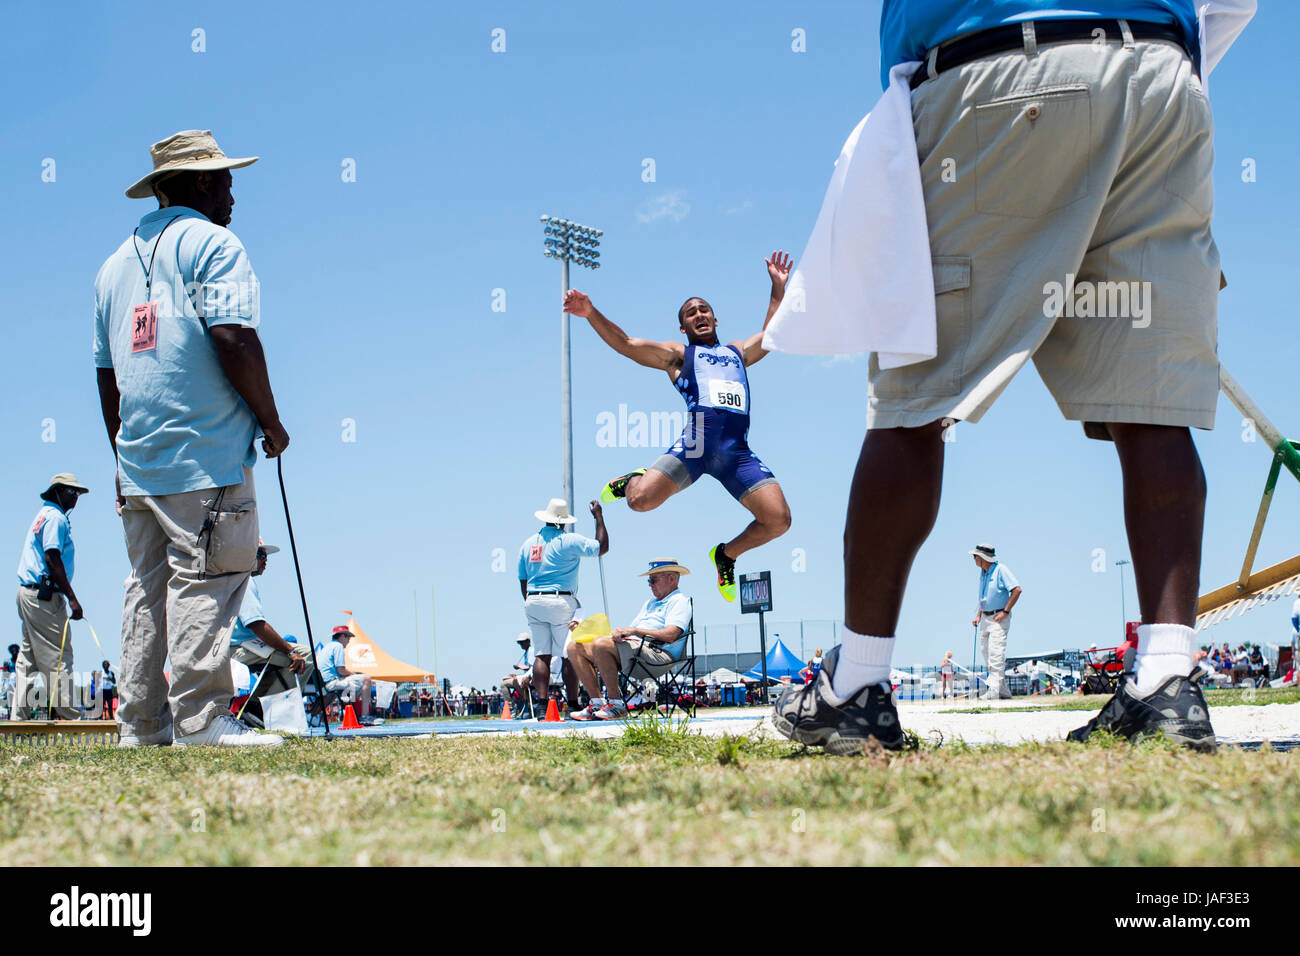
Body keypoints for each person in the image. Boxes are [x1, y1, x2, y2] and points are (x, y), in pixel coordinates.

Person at [774, 1, 1245, 754]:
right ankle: (1166, 679)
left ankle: (856, 683)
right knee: (1152, 400)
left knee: (915, 395)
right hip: (1161, 78)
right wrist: (1156, 68)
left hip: (1001, 67)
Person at [95, 130, 288, 749]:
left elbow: (107, 376)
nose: (233, 193)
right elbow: (234, 338)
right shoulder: (215, 242)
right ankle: (204, 723)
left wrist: (121, 457)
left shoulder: (113, 264)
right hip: (204, 452)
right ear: (201, 181)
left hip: (140, 460)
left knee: (147, 593)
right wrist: (271, 420)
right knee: (206, 579)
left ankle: (140, 728)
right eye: (226, 180)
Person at [562, 252, 795, 601]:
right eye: (691, 313)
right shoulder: (679, 356)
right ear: (683, 328)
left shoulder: (737, 353)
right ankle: (633, 479)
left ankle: (726, 555)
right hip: (696, 449)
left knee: (778, 520)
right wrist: (590, 313)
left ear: (715, 319)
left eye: (704, 309)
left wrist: (778, 289)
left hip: (737, 455)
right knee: (638, 501)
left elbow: (773, 334)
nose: (699, 314)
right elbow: (627, 345)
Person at [566, 560, 693, 720]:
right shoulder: (650, 603)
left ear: (672, 579)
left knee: (601, 644)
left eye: (653, 580)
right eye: (649, 580)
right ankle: (597, 703)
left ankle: (616, 705)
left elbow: (671, 635)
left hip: (660, 655)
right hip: (637, 650)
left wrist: (634, 631)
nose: (650, 585)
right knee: (574, 647)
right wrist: (585, 629)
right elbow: (627, 634)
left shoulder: (680, 601)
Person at [519, 498, 608, 717]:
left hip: (533, 600)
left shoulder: (528, 543)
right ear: (563, 522)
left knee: (542, 654)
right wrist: (599, 516)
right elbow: (601, 547)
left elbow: (522, 579)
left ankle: (541, 705)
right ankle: (572, 702)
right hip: (561, 600)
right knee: (568, 653)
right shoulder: (569, 540)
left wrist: (531, 600)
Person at [14, 474, 91, 720]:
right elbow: (52, 557)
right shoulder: (55, 518)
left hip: (28, 593)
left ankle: (18, 720)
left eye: (78, 494)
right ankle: (70, 717)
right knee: (59, 656)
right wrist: (72, 598)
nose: (75, 498)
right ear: (57, 492)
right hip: (44, 595)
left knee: (29, 659)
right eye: (71, 493)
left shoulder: (43, 514)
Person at [229, 541, 312, 704]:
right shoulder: (244, 580)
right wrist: (290, 651)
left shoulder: (234, 579)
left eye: (266, 556)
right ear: (245, 556)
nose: (265, 560)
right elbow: (257, 625)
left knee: (289, 659)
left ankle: (257, 708)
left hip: (238, 646)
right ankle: (266, 711)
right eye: (260, 554)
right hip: (238, 648)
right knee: (305, 656)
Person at [968, 545, 1022, 700]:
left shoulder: (1001, 569)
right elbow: (984, 597)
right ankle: (1003, 691)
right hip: (985, 617)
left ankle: (993, 690)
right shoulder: (983, 573)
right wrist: (978, 615)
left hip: (999, 616)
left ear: (983, 557)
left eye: (975, 556)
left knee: (996, 653)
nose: (974, 559)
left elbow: (1017, 589)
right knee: (987, 654)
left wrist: (1005, 611)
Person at [319, 626, 373, 720]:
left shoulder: (327, 646)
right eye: (348, 638)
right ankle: (364, 716)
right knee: (366, 679)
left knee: (354, 685)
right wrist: (354, 674)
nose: (349, 641)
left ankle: (353, 714)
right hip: (332, 683)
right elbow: (341, 671)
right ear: (343, 636)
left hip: (325, 683)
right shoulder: (338, 646)